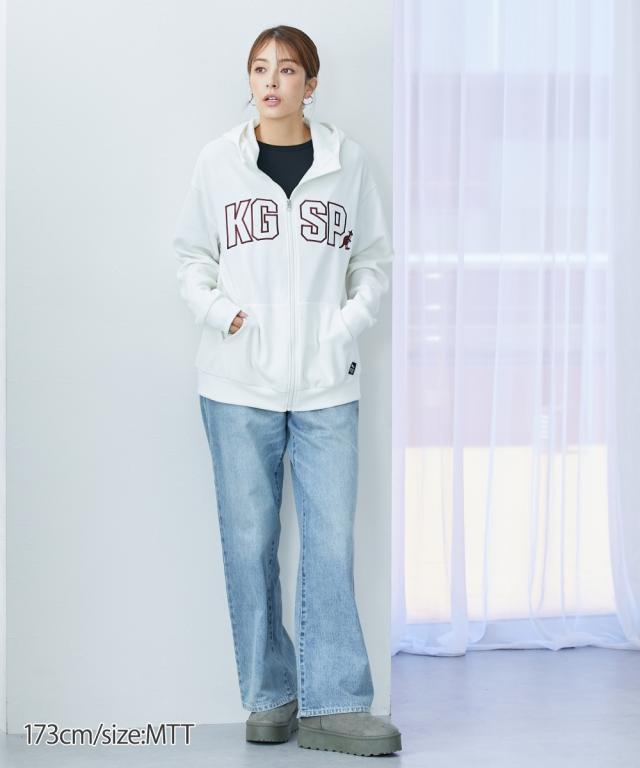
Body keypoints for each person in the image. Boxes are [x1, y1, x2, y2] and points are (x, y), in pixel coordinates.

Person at [172, 24, 402, 757]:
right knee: (250, 545)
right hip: (237, 383)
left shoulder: (348, 162)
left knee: (330, 543)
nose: (272, 82)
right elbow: (191, 256)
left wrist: (348, 322)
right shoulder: (219, 162)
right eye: (260, 69)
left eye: (288, 69)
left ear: (311, 83)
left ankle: (335, 704)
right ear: (250, 81)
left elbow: (372, 259)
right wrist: (222, 313)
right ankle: (270, 696)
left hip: (328, 384)